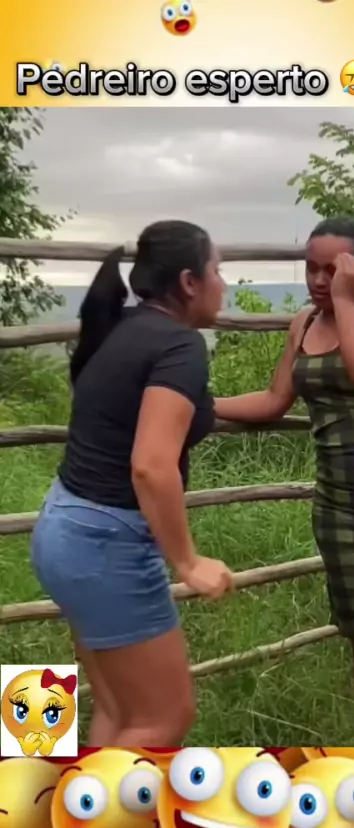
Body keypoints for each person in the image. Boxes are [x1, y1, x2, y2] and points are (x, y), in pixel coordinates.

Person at [214, 218, 354, 746]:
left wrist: (344, 299)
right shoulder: (302, 323)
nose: (319, 280)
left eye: (332, 269)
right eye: (311, 268)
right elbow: (274, 400)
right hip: (339, 504)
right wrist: (200, 405)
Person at [31, 220, 234, 748]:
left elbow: (155, 411)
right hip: (106, 545)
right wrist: (188, 562)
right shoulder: (181, 345)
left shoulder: (124, 327)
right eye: (217, 270)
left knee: (121, 711)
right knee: (164, 720)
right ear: (189, 282)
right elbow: (150, 465)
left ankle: (75, 801)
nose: (224, 283)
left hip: (65, 528)